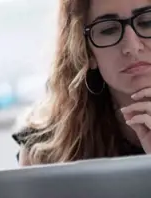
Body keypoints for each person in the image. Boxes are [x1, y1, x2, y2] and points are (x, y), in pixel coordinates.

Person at [14, 0, 151, 165]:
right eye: (108, 30)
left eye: (147, 22)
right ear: (86, 52)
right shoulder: (44, 148)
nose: (132, 46)